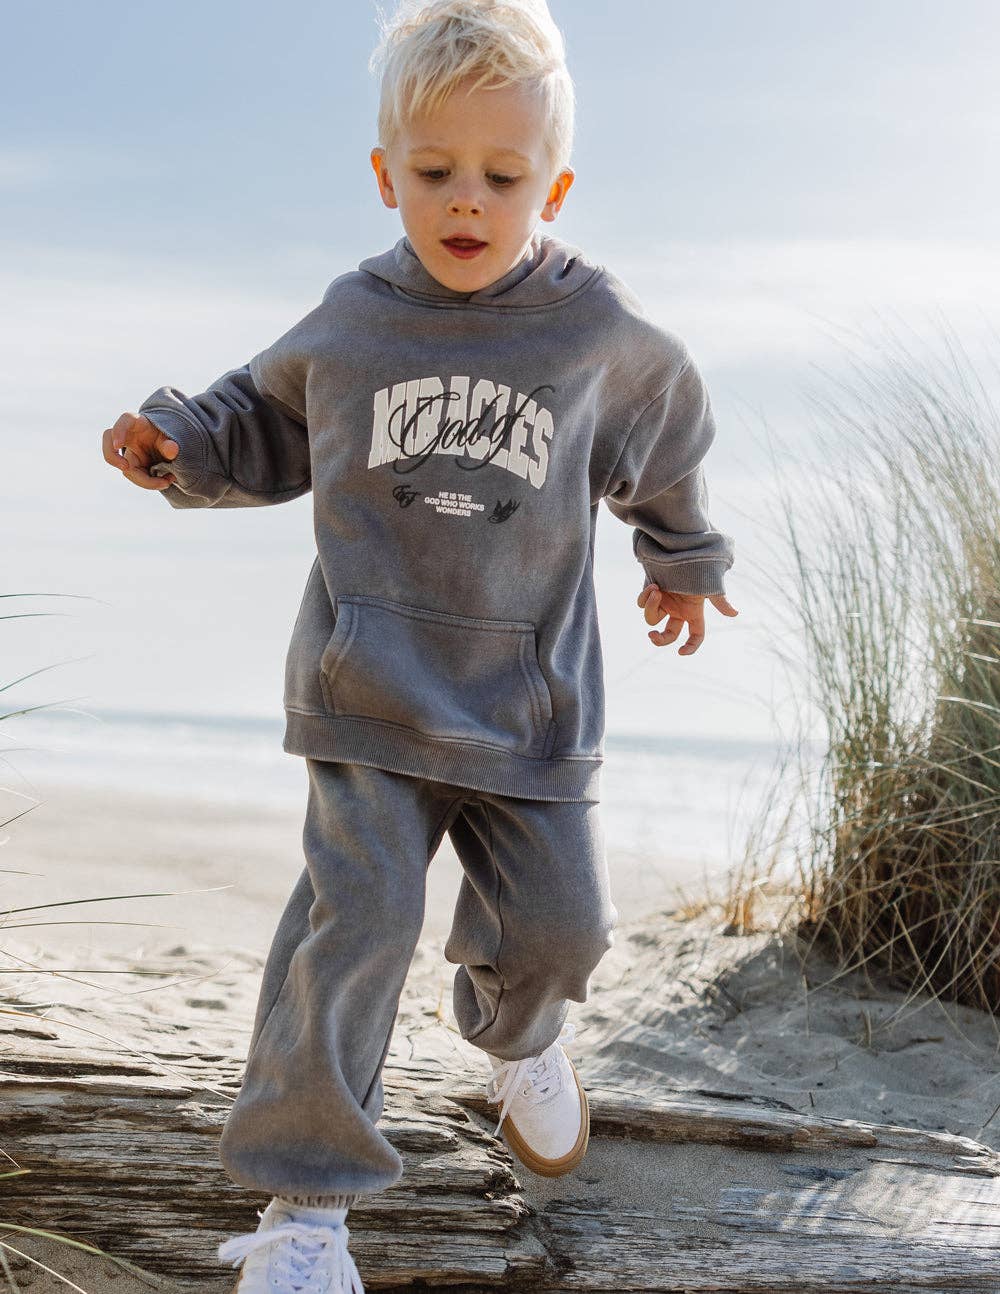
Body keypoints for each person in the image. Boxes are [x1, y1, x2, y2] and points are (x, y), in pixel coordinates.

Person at [100, 1, 738, 1289]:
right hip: (369, 694)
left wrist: (683, 558)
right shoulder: (354, 320)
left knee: (563, 929)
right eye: (435, 170)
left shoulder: (593, 331)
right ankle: (303, 1215)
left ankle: (517, 1037)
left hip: (529, 705)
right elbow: (258, 417)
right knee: (358, 924)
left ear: (553, 186)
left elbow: (667, 431)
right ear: (386, 174)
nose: (466, 201)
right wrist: (180, 446)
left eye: (502, 176)